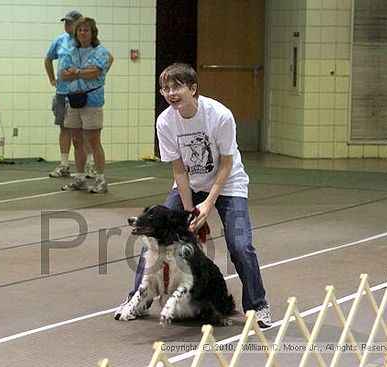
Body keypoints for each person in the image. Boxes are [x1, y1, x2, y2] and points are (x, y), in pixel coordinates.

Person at [115, 62, 272, 328]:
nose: (171, 93)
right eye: (165, 88)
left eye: (177, 87)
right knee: (152, 230)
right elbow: (178, 169)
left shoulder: (220, 115)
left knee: (240, 245)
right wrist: (189, 213)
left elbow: (226, 163)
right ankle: (138, 300)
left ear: (193, 88)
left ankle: (258, 305)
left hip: (227, 184)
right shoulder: (165, 121)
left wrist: (209, 203)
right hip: (188, 184)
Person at [59, 17, 113, 194]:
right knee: (76, 139)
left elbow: (95, 72)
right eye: (80, 30)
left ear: (93, 33)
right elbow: (63, 74)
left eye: (86, 30)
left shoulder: (100, 51)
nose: (83, 33)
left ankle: (100, 179)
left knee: (93, 140)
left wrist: (76, 71)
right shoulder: (71, 52)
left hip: (92, 100)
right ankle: (80, 177)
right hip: (73, 99)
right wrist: (81, 72)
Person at [44, 10, 96, 179]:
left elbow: (104, 60)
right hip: (62, 92)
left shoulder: (85, 43)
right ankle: (64, 163)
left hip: (80, 91)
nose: (67, 25)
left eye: (70, 22)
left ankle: (89, 164)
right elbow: (48, 59)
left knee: (85, 130)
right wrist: (52, 79)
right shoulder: (59, 41)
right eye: (65, 22)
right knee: (64, 127)